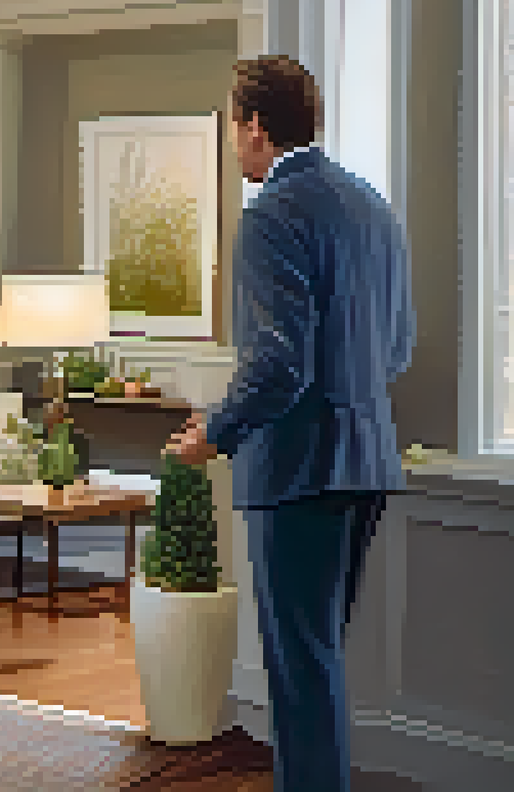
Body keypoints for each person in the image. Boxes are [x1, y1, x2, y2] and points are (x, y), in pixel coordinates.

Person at [165, 56, 415, 791]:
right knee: (319, 660)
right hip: (366, 461)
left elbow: (277, 362)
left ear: (257, 130)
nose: (232, 142)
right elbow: (395, 347)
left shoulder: (272, 213)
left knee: (300, 672)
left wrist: (216, 429)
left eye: (232, 125)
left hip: (299, 469)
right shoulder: (372, 205)